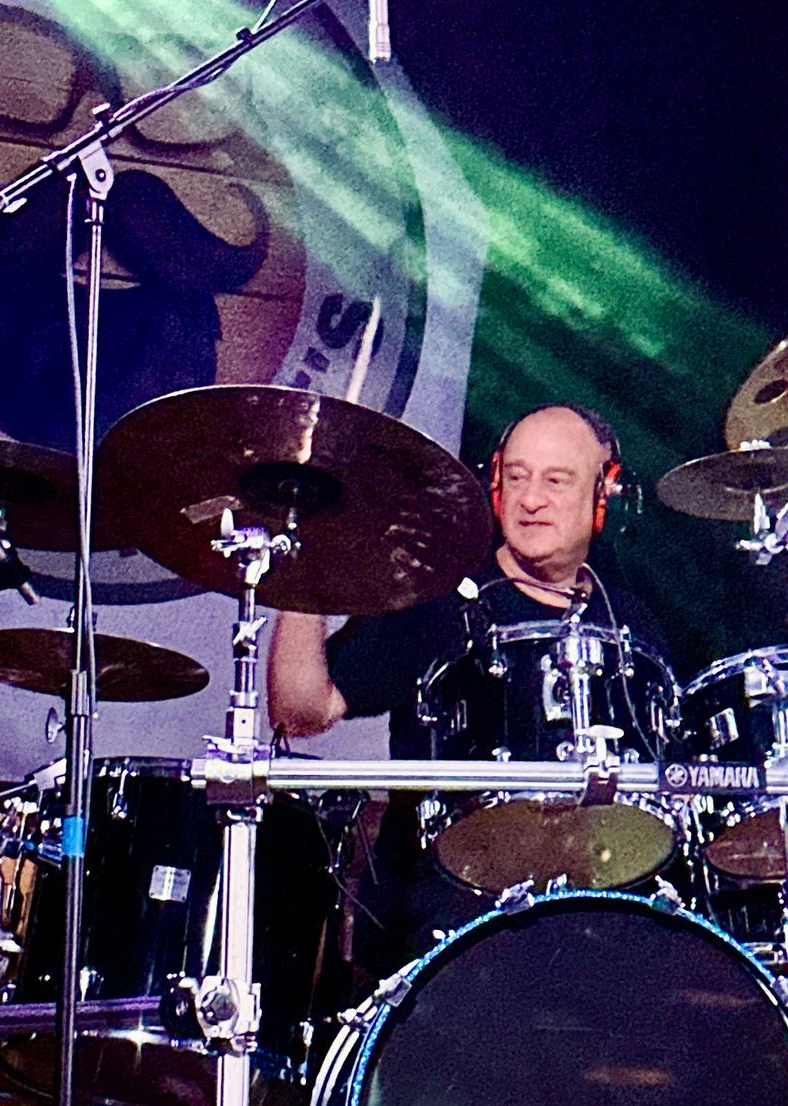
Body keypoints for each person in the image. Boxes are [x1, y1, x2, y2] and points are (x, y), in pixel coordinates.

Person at [267, 403, 670, 961]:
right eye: (517, 477)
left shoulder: (634, 627)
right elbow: (301, 710)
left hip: (600, 924)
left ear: (607, 494)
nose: (531, 500)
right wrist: (304, 568)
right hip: (447, 927)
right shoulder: (437, 597)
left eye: (556, 481)